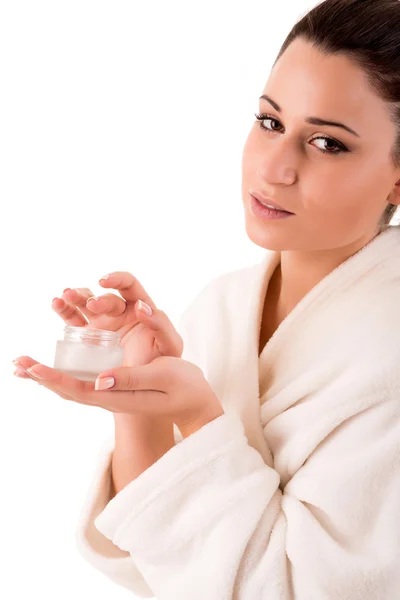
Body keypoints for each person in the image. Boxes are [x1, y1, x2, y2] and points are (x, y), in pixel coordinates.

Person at [12, 0, 400, 597]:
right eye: (271, 122)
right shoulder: (223, 305)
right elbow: (150, 567)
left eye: (326, 144)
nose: (275, 168)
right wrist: (136, 399)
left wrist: (197, 418)